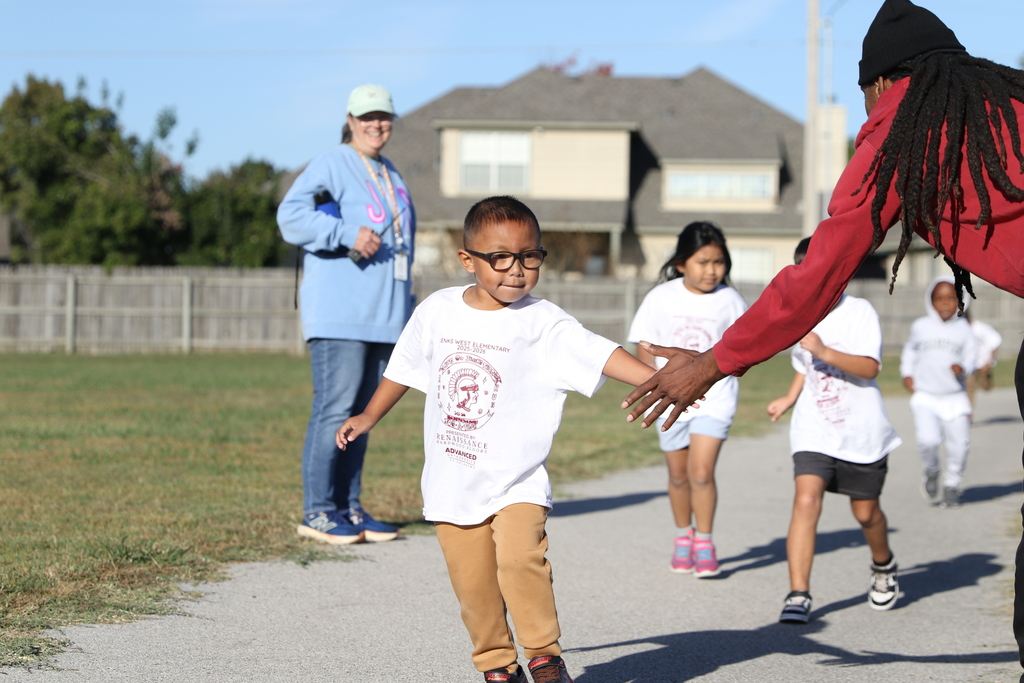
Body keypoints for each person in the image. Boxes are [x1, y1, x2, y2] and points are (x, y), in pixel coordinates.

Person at [620, 0, 1024, 671]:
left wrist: (719, 359)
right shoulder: (1007, 103)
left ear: (881, 82)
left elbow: (818, 272)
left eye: (867, 98)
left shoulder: (902, 125)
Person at [335, 196, 654, 683]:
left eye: (530, 256)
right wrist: (369, 414)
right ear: (468, 260)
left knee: (520, 558)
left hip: (517, 479)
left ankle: (544, 657)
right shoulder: (437, 311)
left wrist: (659, 380)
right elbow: (402, 367)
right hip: (451, 480)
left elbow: (600, 354)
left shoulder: (544, 322)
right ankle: (497, 666)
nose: (517, 270)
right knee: (474, 584)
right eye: (500, 257)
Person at [277, 84, 413, 544]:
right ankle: (317, 510)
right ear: (351, 120)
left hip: (385, 316)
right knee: (334, 408)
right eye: (367, 116)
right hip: (340, 314)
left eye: (384, 116)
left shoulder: (391, 173)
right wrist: (345, 233)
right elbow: (290, 215)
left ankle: (349, 507)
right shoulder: (334, 162)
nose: (377, 124)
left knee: (363, 414)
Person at [767, 237, 902, 624]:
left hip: (861, 431)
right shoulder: (798, 314)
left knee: (866, 512)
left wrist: (825, 350)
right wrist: (790, 398)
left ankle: (883, 564)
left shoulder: (859, 311)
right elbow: (801, 365)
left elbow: (870, 368)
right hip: (815, 428)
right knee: (806, 500)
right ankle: (798, 593)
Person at [627, 222, 746, 578]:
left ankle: (705, 541)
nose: (712, 270)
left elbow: (742, 352)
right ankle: (684, 537)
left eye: (719, 262)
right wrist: (654, 385)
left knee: (700, 472)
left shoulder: (731, 301)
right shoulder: (660, 297)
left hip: (716, 400)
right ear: (681, 263)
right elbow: (644, 346)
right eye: (703, 261)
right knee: (678, 476)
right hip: (672, 400)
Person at [900, 276, 976, 508]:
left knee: (959, 445)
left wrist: (962, 368)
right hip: (926, 396)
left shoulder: (964, 330)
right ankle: (932, 470)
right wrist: (907, 374)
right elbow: (910, 352)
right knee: (928, 440)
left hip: (954, 398)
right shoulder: (920, 327)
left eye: (951, 299)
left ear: (960, 301)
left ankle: (952, 483)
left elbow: (971, 360)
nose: (945, 304)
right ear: (930, 301)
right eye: (939, 299)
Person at [966, 310, 1003, 403]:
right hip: (970, 364)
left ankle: (988, 382)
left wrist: (990, 361)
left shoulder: (981, 328)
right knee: (969, 386)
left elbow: (994, 343)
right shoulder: (961, 330)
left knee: (986, 387)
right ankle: (968, 411)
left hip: (984, 362)